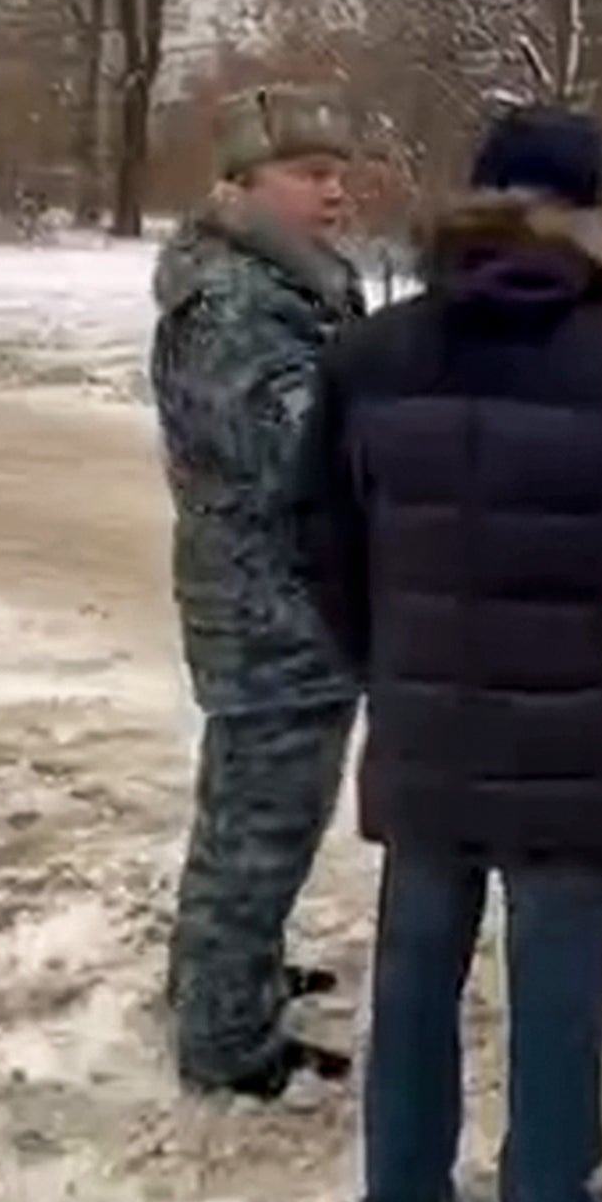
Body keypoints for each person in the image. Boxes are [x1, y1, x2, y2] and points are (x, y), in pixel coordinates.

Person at [295, 105, 602, 1202]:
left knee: (415, 970)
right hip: (577, 741)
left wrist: (389, 661)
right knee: (557, 987)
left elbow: (318, 542)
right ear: (589, 210)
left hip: (428, 728)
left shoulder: (371, 355)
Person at [154, 85, 365, 1099]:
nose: (334, 191)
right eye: (310, 173)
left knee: (247, 812)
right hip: (270, 612)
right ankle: (225, 1039)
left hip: (285, 603)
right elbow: (306, 448)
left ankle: (219, 978)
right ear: (241, 186)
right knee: (262, 824)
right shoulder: (235, 305)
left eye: (339, 172)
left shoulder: (286, 284)